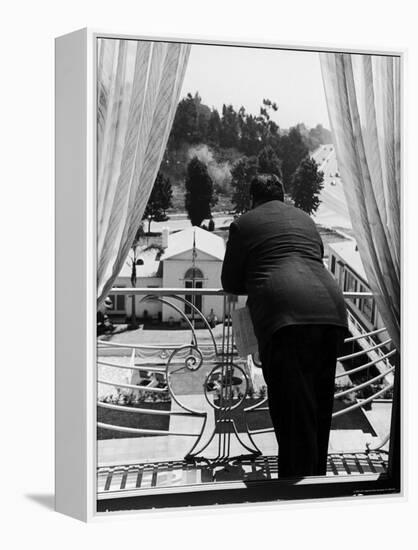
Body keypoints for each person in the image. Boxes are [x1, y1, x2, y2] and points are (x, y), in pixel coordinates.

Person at [221, 173, 348, 477]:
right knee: (318, 408)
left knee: (291, 413)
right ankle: (316, 481)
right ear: (282, 194)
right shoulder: (305, 219)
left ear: (252, 198)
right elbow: (315, 257)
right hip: (331, 312)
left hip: (285, 320)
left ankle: (294, 490)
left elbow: (230, 281)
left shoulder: (244, 224)